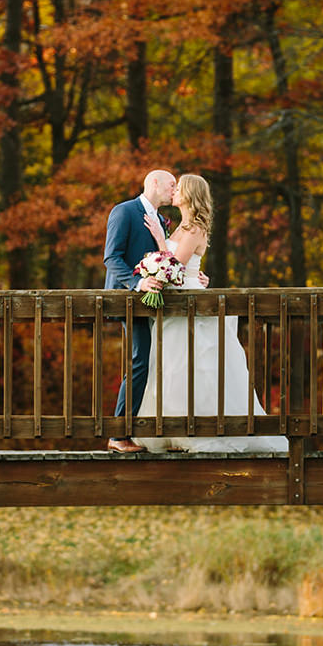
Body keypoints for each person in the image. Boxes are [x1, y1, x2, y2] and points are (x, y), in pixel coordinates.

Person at [136, 173, 288, 454]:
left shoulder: (194, 228)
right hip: (177, 301)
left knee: (198, 364)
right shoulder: (180, 227)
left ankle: (202, 428)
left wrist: (159, 240)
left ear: (189, 194)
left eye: (179, 188)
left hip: (191, 303)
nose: (174, 192)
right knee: (172, 364)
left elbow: (176, 267)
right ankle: (174, 427)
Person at [103, 168, 177, 452]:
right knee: (139, 361)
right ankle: (118, 434)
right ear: (154, 182)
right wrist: (137, 282)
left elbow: (165, 259)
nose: (174, 190)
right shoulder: (124, 211)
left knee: (151, 362)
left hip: (152, 304)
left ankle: (139, 431)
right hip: (128, 300)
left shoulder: (161, 220)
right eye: (171, 184)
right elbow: (112, 257)